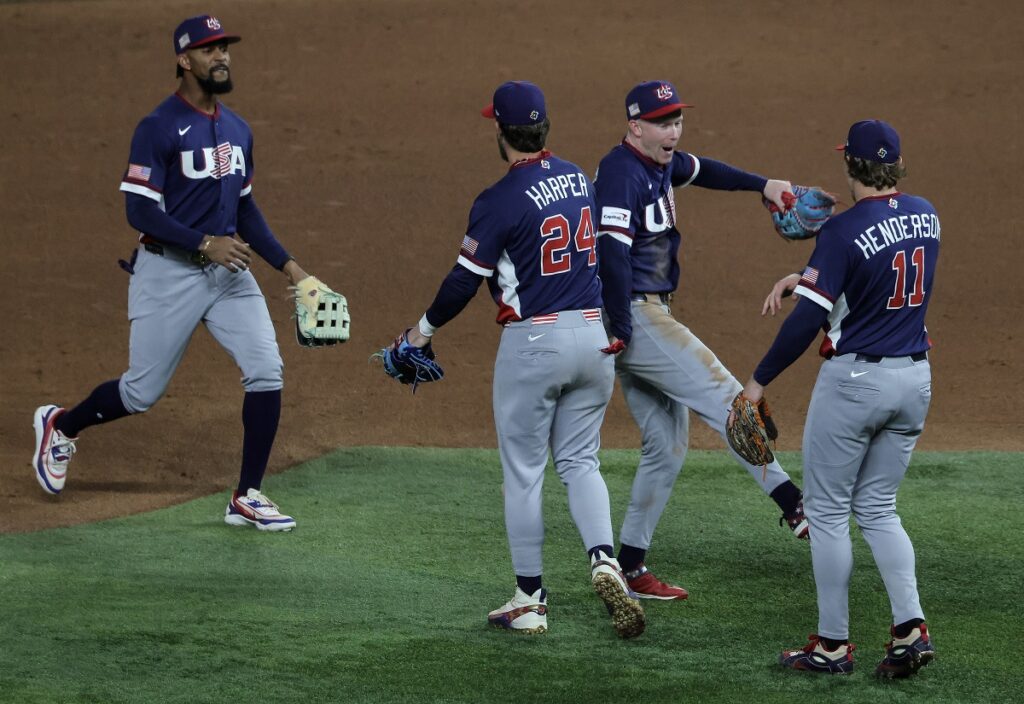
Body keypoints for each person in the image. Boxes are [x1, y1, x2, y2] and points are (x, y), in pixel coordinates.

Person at [31, 15, 319, 532]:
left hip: (228, 273)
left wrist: (293, 269)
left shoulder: (238, 129)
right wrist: (205, 243)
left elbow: (246, 209)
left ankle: (247, 495)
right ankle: (61, 425)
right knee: (140, 392)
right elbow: (139, 212)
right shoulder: (158, 127)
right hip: (169, 273)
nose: (222, 57)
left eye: (225, 47)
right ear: (184, 60)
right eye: (209, 50)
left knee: (266, 371)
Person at [391, 81, 644, 638]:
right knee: (580, 461)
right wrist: (618, 325)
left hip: (535, 345)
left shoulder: (499, 199)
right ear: (544, 128)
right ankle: (604, 559)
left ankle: (529, 600)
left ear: (501, 132)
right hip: (594, 336)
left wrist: (424, 330)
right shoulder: (579, 178)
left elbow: (463, 281)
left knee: (525, 475)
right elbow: (610, 253)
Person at [593, 80, 809, 600]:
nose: (674, 131)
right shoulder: (622, 173)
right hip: (635, 314)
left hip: (642, 312)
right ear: (635, 126)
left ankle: (631, 566)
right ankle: (795, 504)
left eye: (678, 121)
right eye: (663, 122)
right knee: (729, 400)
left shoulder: (661, 161)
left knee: (666, 446)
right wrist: (622, 327)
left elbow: (704, 170)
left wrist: (764, 185)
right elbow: (610, 255)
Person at [739, 120, 938, 677]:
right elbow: (878, 272)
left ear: (850, 166)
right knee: (878, 508)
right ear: (896, 167)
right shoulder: (928, 215)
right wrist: (807, 274)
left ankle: (831, 646)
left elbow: (808, 321)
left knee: (827, 513)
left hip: (856, 386)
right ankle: (909, 630)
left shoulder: (843, 231)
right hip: (914, 380)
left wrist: (759, 381)